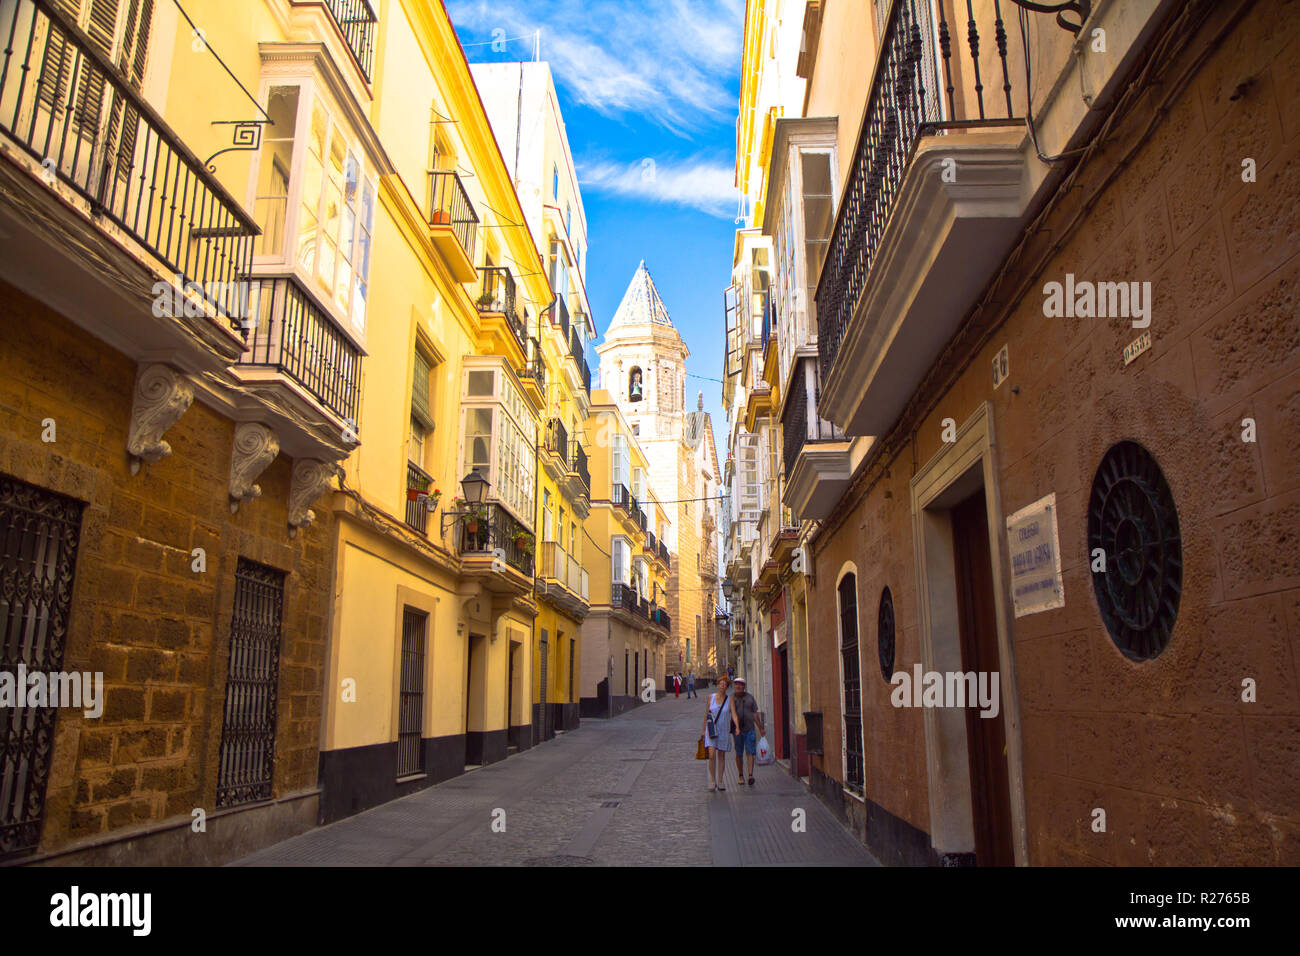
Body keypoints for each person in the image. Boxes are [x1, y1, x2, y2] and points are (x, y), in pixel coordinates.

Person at [701, 676, 740, 791]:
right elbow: (706, 714)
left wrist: (737, 727)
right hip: (712, 730)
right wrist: (703, 730)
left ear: (727, 687)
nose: (722, 686)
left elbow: (733, 714)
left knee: (721, 755)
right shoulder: (711, 698)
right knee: (711, 755)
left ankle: (721, 781)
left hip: (723, 730)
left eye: (725, 685)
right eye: (720, 684)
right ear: (717, 685)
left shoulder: (729, 700)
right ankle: (712, 781)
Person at [730, 678, 765, 786]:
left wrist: (760, 728)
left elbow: (755, 714)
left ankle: (750, 775)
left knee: (750, 752)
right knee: (739, 753)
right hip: (737, 731)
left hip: (750, 729)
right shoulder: (731, 699)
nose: (738, 687)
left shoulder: (750, 698)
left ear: (744, 686)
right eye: (736, 685)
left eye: (740, 685)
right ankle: (740, 775)